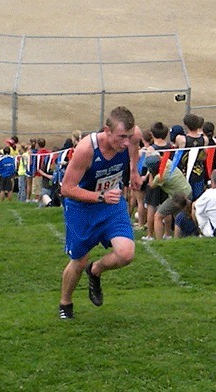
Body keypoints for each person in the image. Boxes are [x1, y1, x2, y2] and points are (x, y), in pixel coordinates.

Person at [58, 106, 142, 320]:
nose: (125, 142)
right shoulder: (87, 149)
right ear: (107, 130)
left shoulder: (132, 137)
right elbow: (66, 189)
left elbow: (134, 150)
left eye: (129, 137)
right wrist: (100, 197)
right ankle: (65, 303)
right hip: (82, 208)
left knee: (126, 253)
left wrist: (133, 172)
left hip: (111, 205)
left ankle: (95, 271)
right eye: (121, 137)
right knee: (79, 260)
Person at [146, 153, 193, 240]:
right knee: (179, 216)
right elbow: (159, 156)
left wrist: (151, 173)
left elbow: (151, 185)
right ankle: (179, 237)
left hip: (179, 196)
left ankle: (159, 241)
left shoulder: (160, 176)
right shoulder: (167, 162)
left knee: (158, 216)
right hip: (187, 190)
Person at [175, 113, 209, 200]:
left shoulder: (181, 139)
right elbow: (205, 155)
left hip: (185, 173)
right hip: (198, 172)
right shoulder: (204, 139)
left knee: (185, 199)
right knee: (197, 198)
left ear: (186, 125)